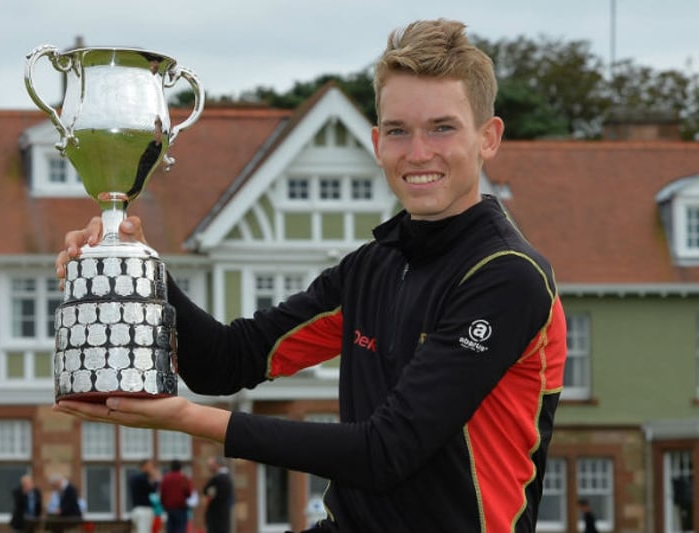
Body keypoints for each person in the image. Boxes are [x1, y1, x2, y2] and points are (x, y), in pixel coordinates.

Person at [54, 18, 566, 533]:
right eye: (398, 131)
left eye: (442, 127)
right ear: (376, 141)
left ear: (489, 138)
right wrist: (135, 265)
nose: (417, 152)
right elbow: (229, 362)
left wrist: (185, 418)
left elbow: (386, 451)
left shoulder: (508, 277)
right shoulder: (372, 268)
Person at [157, 460, 192, 533]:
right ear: (180, 468)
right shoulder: (183, 478)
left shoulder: (165, 478)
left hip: (169, 509)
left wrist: (164, 505)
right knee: (181, 529)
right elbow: (189, 493)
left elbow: (162, 494)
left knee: (170, 530)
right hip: (181, 508)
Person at [201, 458, 233, 533]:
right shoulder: (228, 477)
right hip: (224, 510)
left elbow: (205, 490)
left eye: (211, 465)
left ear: (217, 465)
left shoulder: (218, 478)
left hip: (216, 512)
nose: (210, 468)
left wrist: (210, 496)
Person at [128, 459, 160, 533]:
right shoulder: (142, 478)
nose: (152, 468)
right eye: (150, 466)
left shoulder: (134, 478)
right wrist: (156, 480)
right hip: (144, 511)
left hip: (136, 510)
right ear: (144, 467)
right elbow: (152, 490)